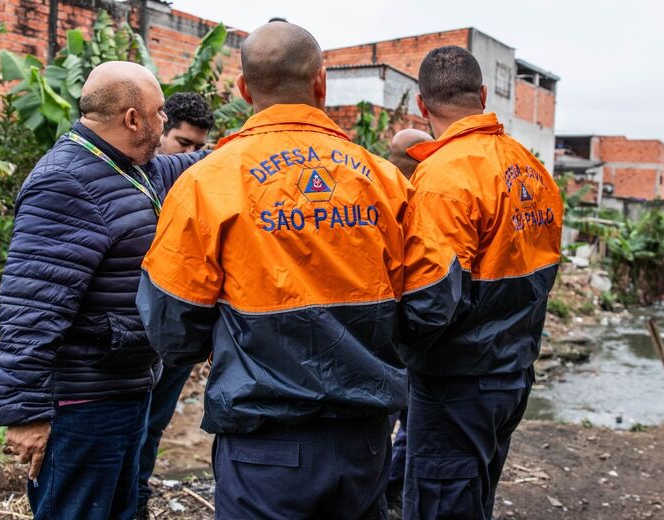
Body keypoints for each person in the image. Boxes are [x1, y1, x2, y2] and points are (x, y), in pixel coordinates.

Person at [136, 22, 461, 520]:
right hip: (364, 441)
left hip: (262, 446)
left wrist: (233, 344)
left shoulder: (207, 182)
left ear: (244, 89)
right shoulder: (386, 180)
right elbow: (434, 298)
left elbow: (170, 324)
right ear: (321, 83)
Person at [0, 61, 208, 520]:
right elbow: (31, 306)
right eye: (160, 112)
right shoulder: (65, 182)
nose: (165, 121)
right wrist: (24, 414)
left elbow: (192, 166)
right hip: (84, 402)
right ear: (133, 118)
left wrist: (260, 143)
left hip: (124, 387)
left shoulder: (131, 168)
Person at [399, 45, 563, 520]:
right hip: (513, 375)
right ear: (485, 95)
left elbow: (430, 304)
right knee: (476, 498)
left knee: (442, 504)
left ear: (421, 105)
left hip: (457, 382)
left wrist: (393, 351)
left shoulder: (443, 177)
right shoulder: (532, 170)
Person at [137, 92, 215, 519]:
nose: (192, 155)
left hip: (174, 331)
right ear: (159, 135)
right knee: (130, 423)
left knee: (153, 425)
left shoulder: (201, 187)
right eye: (183, 144)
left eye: (199, 147)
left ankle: (137, 499)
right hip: (131, 329)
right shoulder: (137, 181)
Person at [384, 128, 433, 513]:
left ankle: (387, 486)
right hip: (408, 341)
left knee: (384, 424)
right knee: (409, 422)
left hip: (379, 340)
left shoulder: (369, 192)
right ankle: (393, 488)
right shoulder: (421, 205)